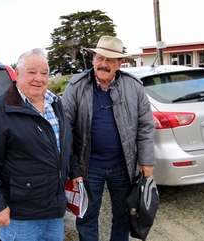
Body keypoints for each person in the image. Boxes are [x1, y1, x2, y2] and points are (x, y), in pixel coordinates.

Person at [0, 48, 82, 241]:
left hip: (54, 211)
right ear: (17, 73)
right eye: (31, 72)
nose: (39, 78)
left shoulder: (55, 104)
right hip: (21, 217)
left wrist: (75, 171)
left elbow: (64, 145)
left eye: (44, 73)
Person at [61, 35, 156, 241]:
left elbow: (145, 126)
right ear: (93, 58)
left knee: (123, 214)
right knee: (86, 215)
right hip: (88, 166)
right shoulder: (76, 86)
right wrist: (71, 167)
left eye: (110, 60)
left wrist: (147, 160)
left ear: (120, 63)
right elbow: (64, 127)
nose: (104, 64)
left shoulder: (134, 87)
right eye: (100, 58)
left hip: (123, 165)